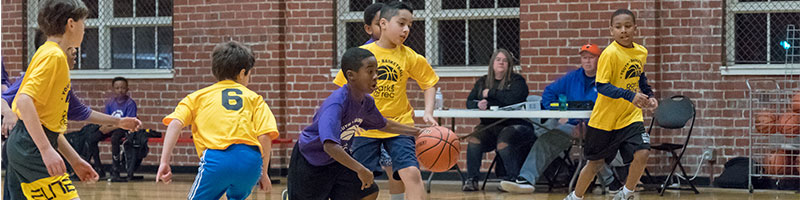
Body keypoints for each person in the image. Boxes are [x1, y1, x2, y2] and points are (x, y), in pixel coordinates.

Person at [6, 0, 142, 199]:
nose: (85, 30)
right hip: (31, 147)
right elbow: (24, 102)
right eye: (83, 23)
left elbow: (50, 123)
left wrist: (75, 160)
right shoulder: (55, 56)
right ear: (71, 24)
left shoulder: (45, 52)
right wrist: (45, 150)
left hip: (25, 144)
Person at [288, 47, 428, 200]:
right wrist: (361, 169)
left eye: (377, 71)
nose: (376, 76)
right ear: (351, 75)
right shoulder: (336, 104)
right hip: (311, 161)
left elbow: (383, 124)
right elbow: (329, 146)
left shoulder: (366, 101)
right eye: (369, 72)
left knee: (368, 191)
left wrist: (417, 132)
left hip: (337, 160)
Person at [332, 2, 440, 199]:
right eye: (401, 23)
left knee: (412, 173)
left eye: (409, 25)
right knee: (359, 180)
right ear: (383, 23)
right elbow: (341, 89)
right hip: (364, 128)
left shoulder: (410, 56)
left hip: (399, 125)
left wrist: (428, 112)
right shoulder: (361, 54)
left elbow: (429, 82)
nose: (406, 29)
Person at [156, 41, 278, 200]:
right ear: (242, 73)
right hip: (250, 161)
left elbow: (175, 123)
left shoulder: (197, 97)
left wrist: (164, 161)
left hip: (217, 160)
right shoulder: (255, 99)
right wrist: (264, 172)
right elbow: (264, 136)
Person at [500, 44, 622, 193]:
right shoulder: (572, 77)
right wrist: (555, 111)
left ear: (600, 60)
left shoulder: (607, 79)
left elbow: (613, 108)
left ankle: (611, 182)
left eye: (591, 58)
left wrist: (588, 125)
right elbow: (549, 92)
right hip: (573, 126)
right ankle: (526, 179)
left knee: (592, 140)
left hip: (600, 127)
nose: (587, 61)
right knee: (547, 139)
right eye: (584, 58)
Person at [564, 9, 658, 200]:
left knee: (643, 152)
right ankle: (575, 197)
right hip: (605, 120)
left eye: (628, 26)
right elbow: (602, 86)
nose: (623, 30)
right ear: (611, 31)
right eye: (618, 27)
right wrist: (630, 95)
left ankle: (626, 193)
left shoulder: (641, 52)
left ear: (635, 28)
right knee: (595, 164)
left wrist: (649, 94)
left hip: (630, 117)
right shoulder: (609, 54)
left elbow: (640, 77)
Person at [463, 49, 533, 191]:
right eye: (498, 59)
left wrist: (491, 93)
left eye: (505, 60)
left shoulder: (517, 81)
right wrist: (478, 104)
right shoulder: (483, 81)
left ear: (509, 65)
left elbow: (513, 99)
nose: (501, 62)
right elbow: (469, 102)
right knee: (474, 139)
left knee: (504, 141)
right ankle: (472, 179)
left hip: (515, 125)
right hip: (490, 126)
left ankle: (513, 179)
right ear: (492, 63)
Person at [96, 76, 138, 182]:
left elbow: (128, 123)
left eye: (123, 88)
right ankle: (98, 168)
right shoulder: (110, 103)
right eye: (117, 88)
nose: (120, 90)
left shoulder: (130, 103)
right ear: (113, 89)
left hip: (123, 129)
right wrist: (104, 128)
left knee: (115, 138)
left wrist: (109, 129)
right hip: (111, 127)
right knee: (92, 137)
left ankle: (115, 169)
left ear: (127, 89)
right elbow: (106, 119)